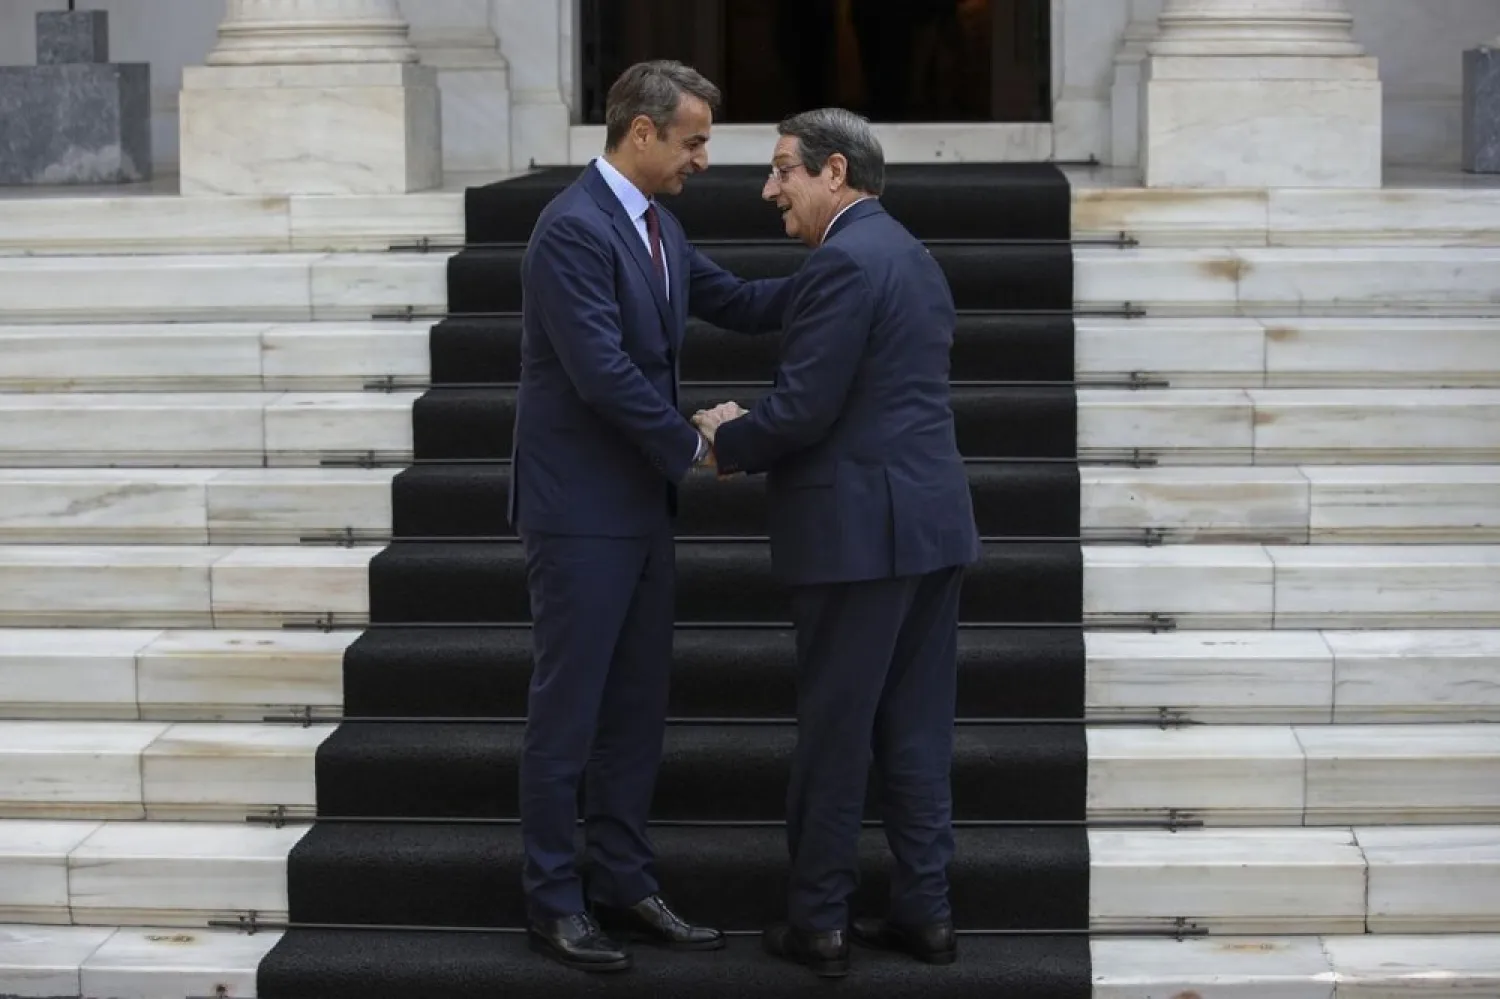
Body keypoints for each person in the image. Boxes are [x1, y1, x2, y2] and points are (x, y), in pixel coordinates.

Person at [510, 60, 792, 973]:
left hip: (639, 508)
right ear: (642, 132)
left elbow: (738, 301)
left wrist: (848, 268)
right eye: (693, 142)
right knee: (569, 714)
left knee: (635, 710)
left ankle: (625, 885)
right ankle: (555, 901)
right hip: (580, 512)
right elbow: (601, 374)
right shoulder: (572, 229)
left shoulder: (659, 225)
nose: (704, 160)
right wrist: (696, 447)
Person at [693, 107, 981, 978]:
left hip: (861, 539)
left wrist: (728, 434)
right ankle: (926, 912)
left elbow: (803, 410)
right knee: (917, 732)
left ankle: (820, 920)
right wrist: (667, 257)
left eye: (783, 169)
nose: (768, 188)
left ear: (835, 172)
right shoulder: (907, 253)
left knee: (836, 734)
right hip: (931, 528)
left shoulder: (844, 263)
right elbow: (768, 316)